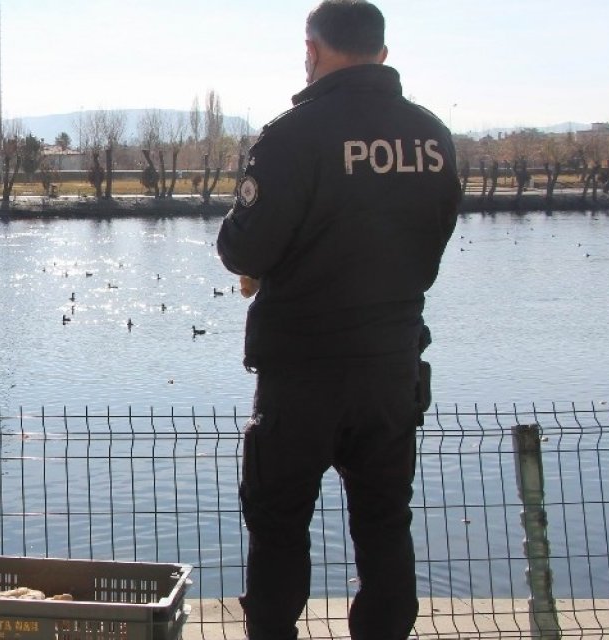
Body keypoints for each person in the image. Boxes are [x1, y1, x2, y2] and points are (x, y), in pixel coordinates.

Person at [215, 2, 461, 639]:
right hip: (391, 368)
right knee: (384, 523)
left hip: (301, 372)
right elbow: (430, 248)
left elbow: (244, 250)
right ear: (382, 53)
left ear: (312, 49)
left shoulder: (293, 135)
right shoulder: (431, 136)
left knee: (278, 527)